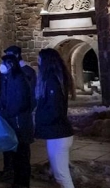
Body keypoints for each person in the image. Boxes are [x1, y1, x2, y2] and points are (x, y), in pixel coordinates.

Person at [0, 45, 37, 183]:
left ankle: (21, 180)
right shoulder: (7, 76)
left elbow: (27, 99)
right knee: (9, 148)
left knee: (21, 152)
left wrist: (12, 113)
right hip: (9, 120)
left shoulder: (24, 75)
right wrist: (0, 107)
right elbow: (2, 93)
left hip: (19, 121)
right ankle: (10, 172)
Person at [35, 48, 76, 188]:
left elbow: (54, 109)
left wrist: (39, 123)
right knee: (59, 175)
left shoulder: (52, 81)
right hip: (58, 133)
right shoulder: (56, 79)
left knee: (62, 176)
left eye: (40, 59)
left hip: (58, 134)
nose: (38, 62)